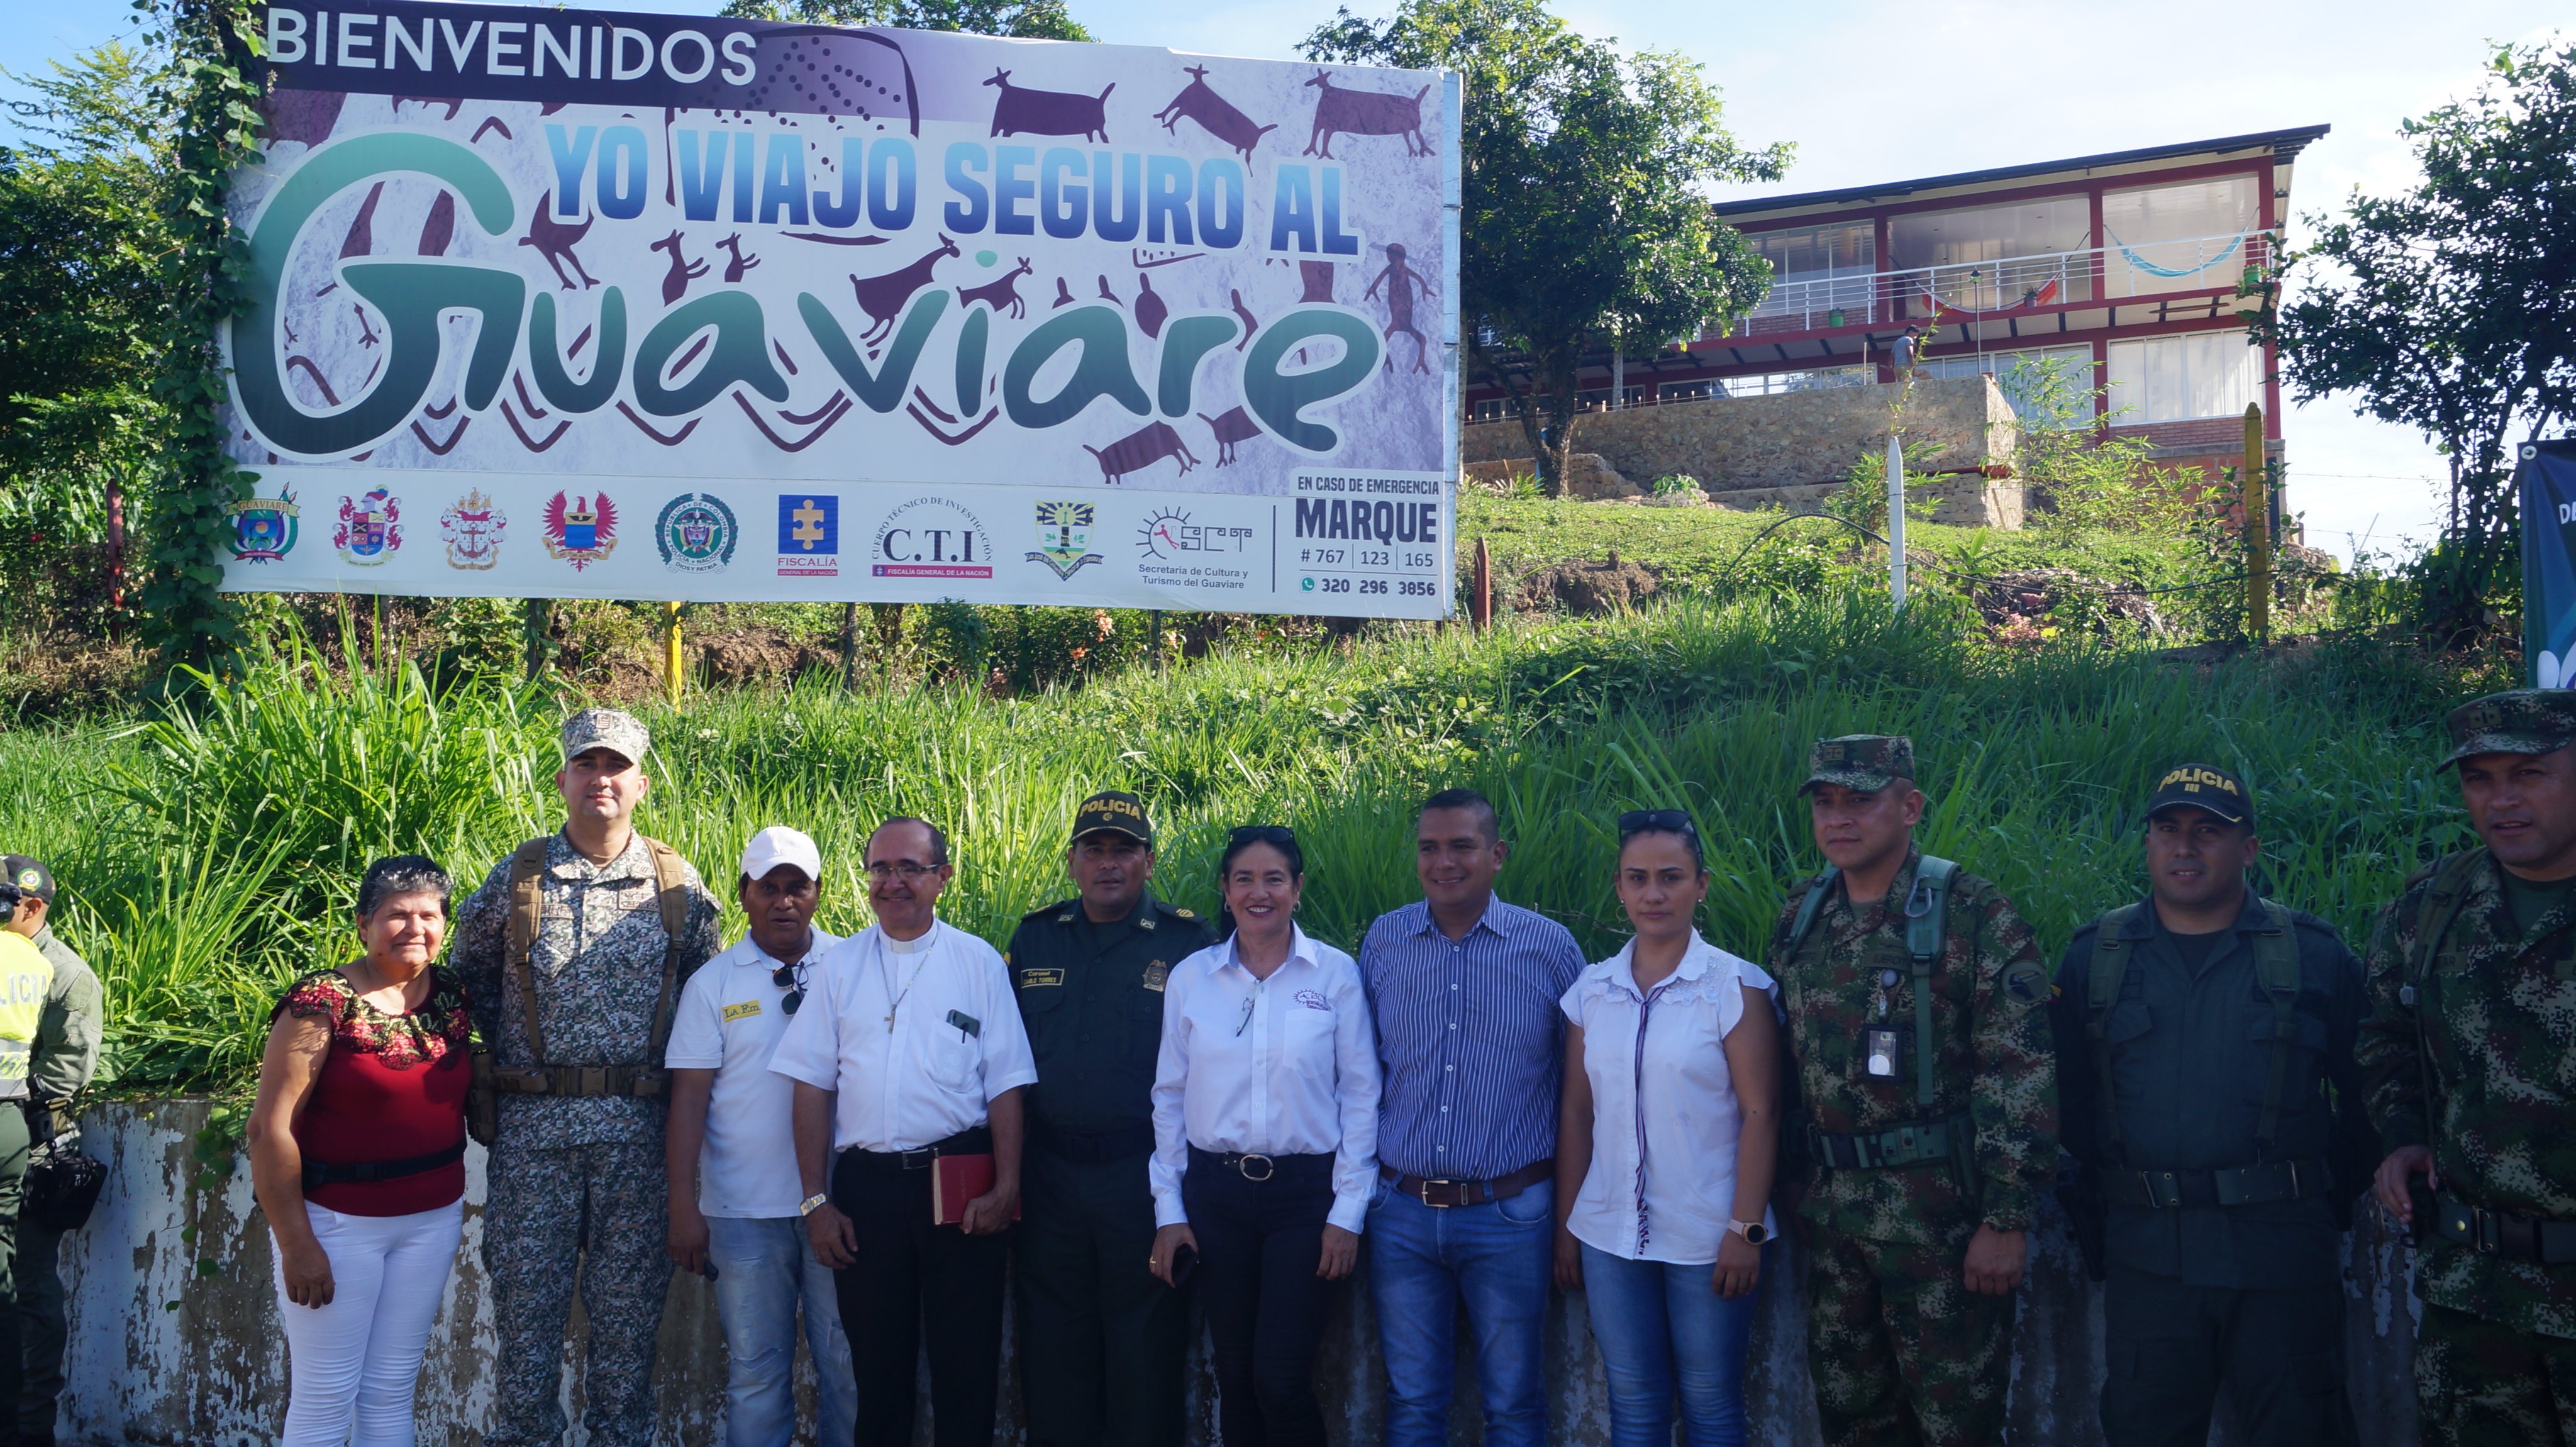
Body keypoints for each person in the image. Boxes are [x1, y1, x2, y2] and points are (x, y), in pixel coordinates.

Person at [2051, 765, 2368, 1447]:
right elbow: (2067, 1101)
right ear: (2147, 844)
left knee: (2301, 1430)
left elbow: (2370, 1095)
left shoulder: (2314, 955)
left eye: (2208, 832)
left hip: (2281, 1258)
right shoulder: (2092, 960)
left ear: (2248, 848)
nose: (2184, 848)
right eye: (2167, 830)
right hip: (2149, 1261)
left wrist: (2307, 1200)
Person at [1766, 735, 2057, 1447]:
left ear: (1910, 806)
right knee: (1851, 1420)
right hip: (1833, 1223)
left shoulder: (1969, 912)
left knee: (1955, 1426)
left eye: (1860, 801)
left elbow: (2020, 1067)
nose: (1839, 818)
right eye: (1825, 803)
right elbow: (1780, 1066)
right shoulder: (1803, 914)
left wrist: (2007, 1215)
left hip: (1939, 1225)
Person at [452, 709, 723, 1447]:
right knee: (526, 1338)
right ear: (564, 777)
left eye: (615, 767)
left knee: (627, 1342)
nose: (600, 779)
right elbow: (464, 980)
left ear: (639, 782)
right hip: (534, 1143)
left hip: (638, 1145)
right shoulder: (519, 877)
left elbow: (707, 995)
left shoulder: (676, 882)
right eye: (586, 765)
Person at [770, 817, 1036, 1447]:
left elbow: (1007, 1083)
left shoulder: (977, 962)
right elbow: (810, 1086)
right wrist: (816, 1202)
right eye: (880, 869)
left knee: (966, 1371)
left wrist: (1006, 1187)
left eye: (909, 868)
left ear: (942, 877)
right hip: (869, 1193)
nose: (893, 883)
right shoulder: (839, 968)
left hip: (960, 1188)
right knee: (878, 1375)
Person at [2358, 691, 2576, 1444]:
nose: (2502, 800)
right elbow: (2387, 1036)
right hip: (2475, 1298)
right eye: (2478, 779)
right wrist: (2405, 1134)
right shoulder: (2431, 907)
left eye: (2528, 774)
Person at [1354, 789, 1582, 1447]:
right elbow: (1362, 1073)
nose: (1443, 861)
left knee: (1512, 1403)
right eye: (1429, 847)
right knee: (1412, 1403)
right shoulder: (1384, 941)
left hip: (1511, 1214)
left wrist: (1569, 1224)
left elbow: (1580, 1094)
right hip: (1400, 1213)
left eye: (1461, 845)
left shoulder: (1550, 949)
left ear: (1497, 854)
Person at [1554, 811, 1781, 1447]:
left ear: (1701, 885)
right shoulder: (1590, 991)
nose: (1654, 894)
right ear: (1619, 888)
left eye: (1671, 877)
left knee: (1710, 1405)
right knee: (1632, 1403)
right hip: (1607, 1237)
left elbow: (1762, 1112)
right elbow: (1576, 1113)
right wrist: (1568, 1229)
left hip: (1709, 1236)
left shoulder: (1734, 988)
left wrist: (1745, 1229)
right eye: (1638, 878)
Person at [1148, 826, 1380, 1447]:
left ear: (1297, 889)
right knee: (1235, 1373)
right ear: (1224, 891)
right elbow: (1168, 1096)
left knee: (1278, 1376)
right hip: (1215, 1196)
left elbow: (1361, 1095)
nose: (1259, 892)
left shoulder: (1334, 975)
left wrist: (1348, 1213)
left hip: (1304, 1201)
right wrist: (1169, 1209)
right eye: (1243, 879)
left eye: (1274, 878)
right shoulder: (1193, 978)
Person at [1006, 792, 1213, 1447]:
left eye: (1123, 849)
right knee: (1053, 1348)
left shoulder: (1189, 942)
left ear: (1148, 862)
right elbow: (1005, 1064)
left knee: (1145, 1351)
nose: (1107, 863)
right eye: (1092, 849)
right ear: (1071, 862)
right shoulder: (1035, 935)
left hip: (1139, 1177)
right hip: (1049, 1178)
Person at [244, 856, 473, 1447]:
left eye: (429, 914)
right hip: (338, 1226)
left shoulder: (453, 996)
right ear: (363, 923)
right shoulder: (322, 1002)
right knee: (326, 1397)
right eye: (397, 915)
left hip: (431, 1220)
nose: (415, 927)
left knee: (392, 1391)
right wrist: (297, 1243)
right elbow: (270, 1129)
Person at [663, 826, 857, 1447]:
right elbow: (689, 1097)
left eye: (796, 887)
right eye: (767, 888)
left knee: (847, 1369)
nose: (783, 901)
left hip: (839, 1208)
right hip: (742, 1214)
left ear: (818, 893)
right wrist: (682, 1203)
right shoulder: (713, 984)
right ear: (743, 895)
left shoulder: (854, 966)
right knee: (754, 1374)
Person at [1, 857, 101, 1447]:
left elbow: (67, 1070)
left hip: (33, 1150)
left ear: (33, 906)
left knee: (30, 1289)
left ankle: (32, 1425)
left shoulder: (65, 973)